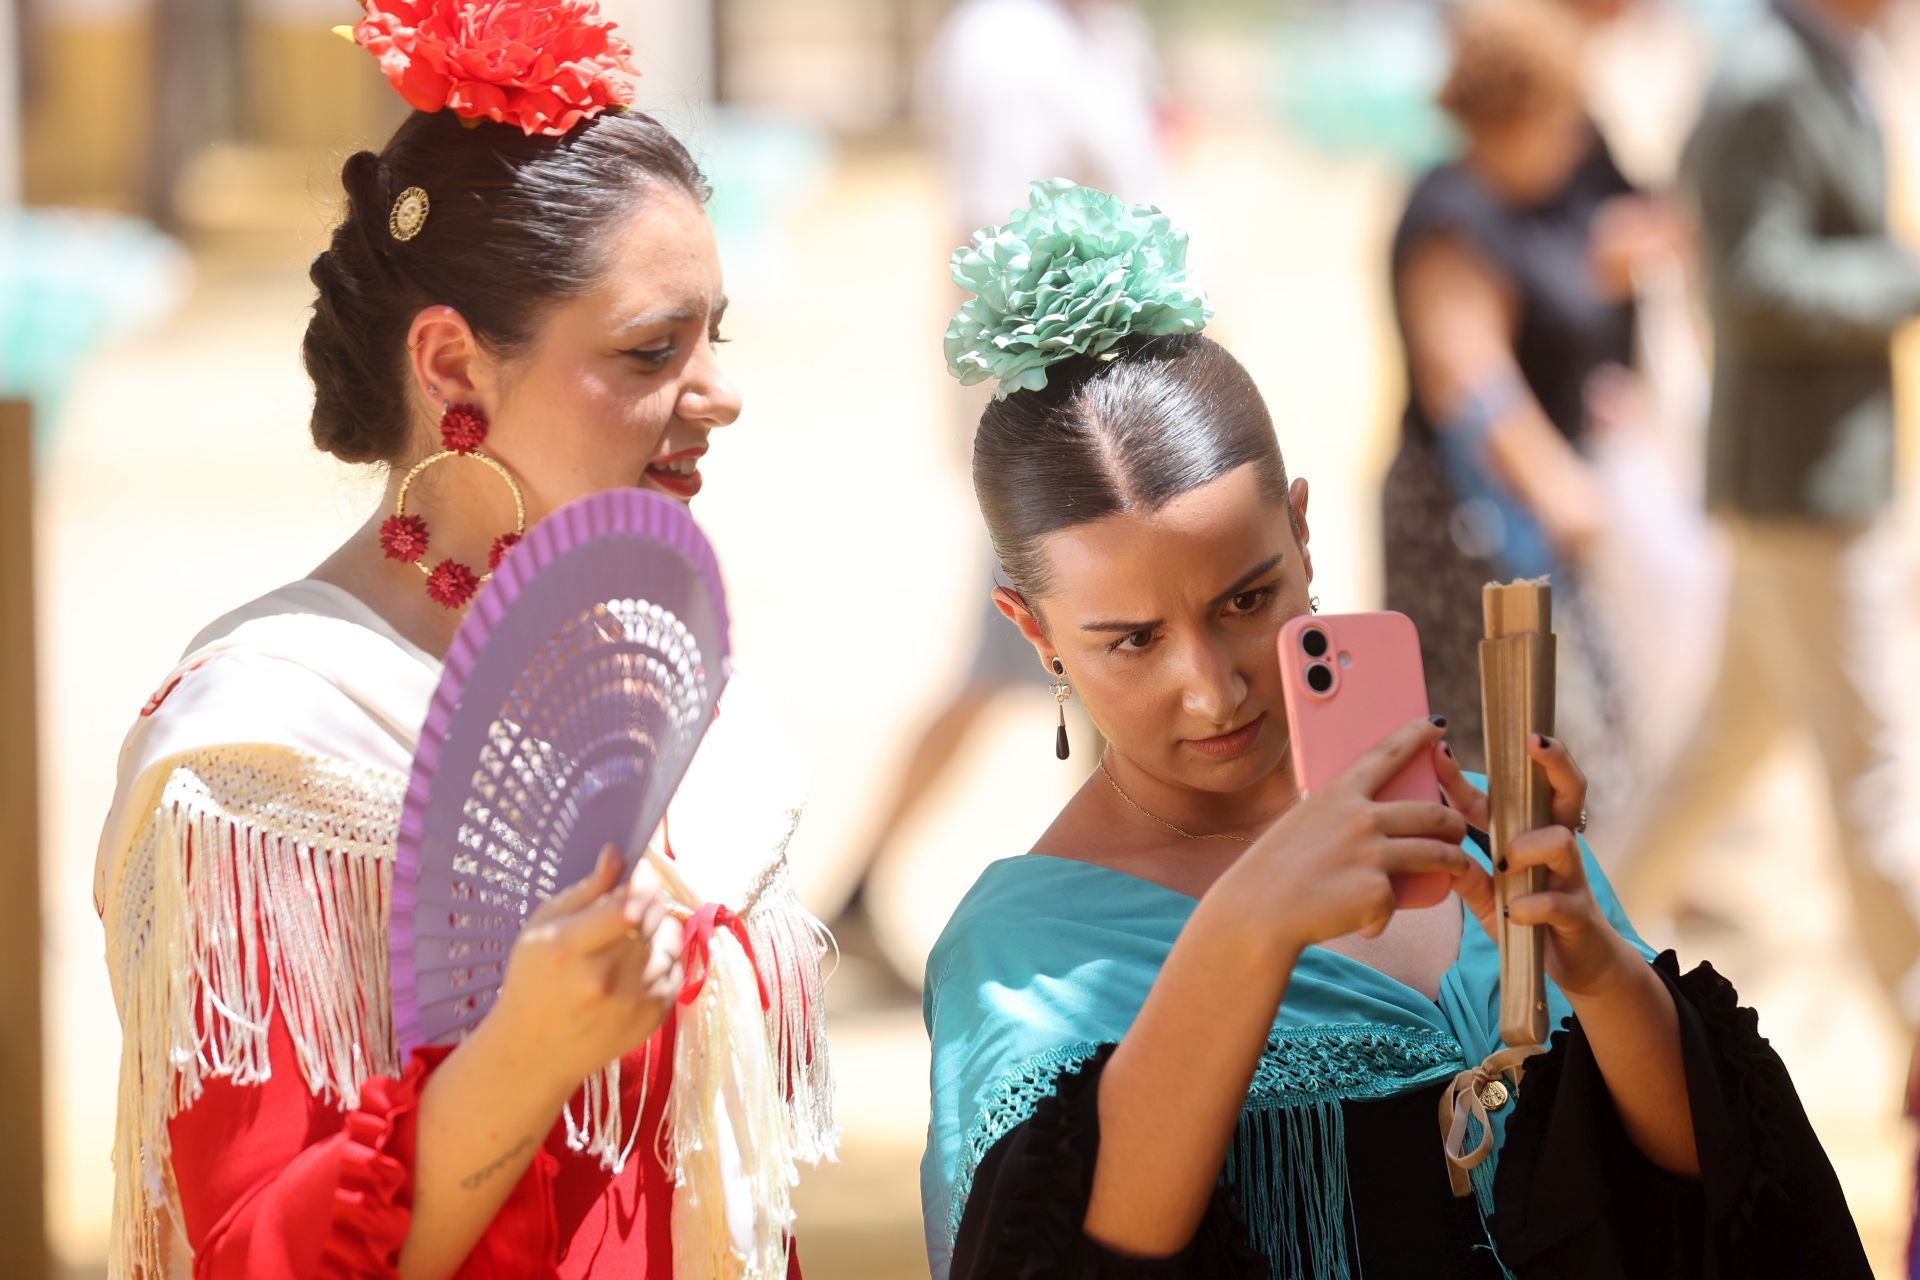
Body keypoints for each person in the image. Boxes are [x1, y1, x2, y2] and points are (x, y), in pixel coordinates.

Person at [920, 178, 1869, 1279]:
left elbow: (1705, 1195)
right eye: (1132, 641)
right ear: (1032, 630)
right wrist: (1247, 933)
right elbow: (1069, 1258)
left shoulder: (1460, 820)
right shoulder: (1027, 955)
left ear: (1306, 534)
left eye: (1247, 598)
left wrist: (1595, 966)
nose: (1215, 688)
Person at [94, 4, 833, 1277]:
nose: (718, 392)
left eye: (718, 333)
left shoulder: (666, 686)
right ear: (452, 367)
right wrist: (520, 1062)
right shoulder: (271, 756)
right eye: (654, 348)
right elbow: (254, 1247)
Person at [1617, 0, 1920, 1029]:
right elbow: (1754, 277)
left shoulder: (1817, 65)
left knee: (1724, 749)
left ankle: (1556, 933)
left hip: (1824, 474)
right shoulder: (1767, 80)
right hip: (1803, 488)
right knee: (1875, 773)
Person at [1381, 0, 1685, 821]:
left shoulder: (1531, 203)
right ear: (1520, 109)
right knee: (1508, 757)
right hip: (1474, 524)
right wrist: (1562, 489)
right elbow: (1468, 376)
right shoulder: (1455, 215)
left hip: (1533, 517)